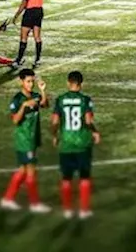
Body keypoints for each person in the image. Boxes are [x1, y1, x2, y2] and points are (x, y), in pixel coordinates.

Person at [0, 69, 51, 213]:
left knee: (22, 170)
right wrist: (23, 106)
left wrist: (42, 91)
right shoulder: (17, 99)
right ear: (21, 82)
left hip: (33, 137)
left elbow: (45, 105)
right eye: (28, 82)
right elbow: (15, 120)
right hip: (24, 139)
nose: (30, 84)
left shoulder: (35, 96)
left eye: (32, 82)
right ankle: (35, 204)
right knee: (30, 171)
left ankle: (8, 199)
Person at [51, 70, 101, 220]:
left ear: (68, 83)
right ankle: (84, 210)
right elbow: (88, 121)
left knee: (66, 178)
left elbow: (54, 122)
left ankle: (67, 209)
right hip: (82, 143)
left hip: (66, 143)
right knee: (84, 177)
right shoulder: (85, 100)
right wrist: (95, 132)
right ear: (81, 84)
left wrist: (54, 135)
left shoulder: (60, 99)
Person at [11, 0, 48, 67]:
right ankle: (37, 60)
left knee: (24, 37)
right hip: (39, 11)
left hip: (30, 12)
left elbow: (24, 2)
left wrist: (16, 15)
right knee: (37, 37)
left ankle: (19, 60)